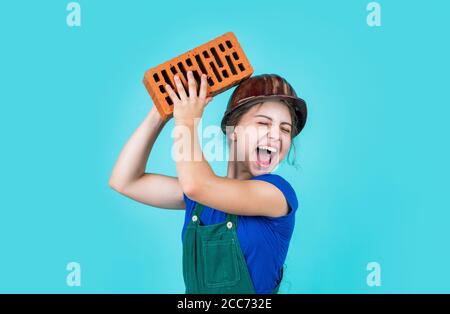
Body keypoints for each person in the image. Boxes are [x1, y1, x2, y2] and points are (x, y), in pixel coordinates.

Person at [109, 71, 307, 294]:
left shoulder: (277, 194)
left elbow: (197, 185)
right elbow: (125, 180)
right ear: (233, 130)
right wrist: (160, 112)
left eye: (285, 129)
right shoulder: (201, 199)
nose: (275, 136)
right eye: (263, 123)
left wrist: (186, 122)